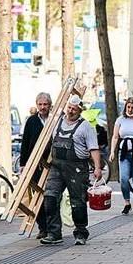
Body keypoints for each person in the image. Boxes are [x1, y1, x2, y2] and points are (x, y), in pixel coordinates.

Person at [41, 94, 102, 245]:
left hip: (77, 168)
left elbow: (93, 148)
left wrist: (97, 167)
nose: (71, 111)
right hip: (56, 166)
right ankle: (54, 233)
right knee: (50, 197)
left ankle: (81, 233)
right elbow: (47, 143)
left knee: (77, 202)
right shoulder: (57, 122)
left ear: (80, 110)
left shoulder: (86, 126)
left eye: (74, 109)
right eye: (69, 107)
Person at [20, 92, 52, 239]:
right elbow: (25, 142)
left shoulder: (54, 120)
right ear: (37, 105)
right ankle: (42, 228)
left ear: (50, 105)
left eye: (45, 104)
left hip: (52, 164)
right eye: (40, 104)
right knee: (37, 197)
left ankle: (52, 228)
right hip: (35, 165)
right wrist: (23, 165)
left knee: (51, 197)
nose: (42, 107)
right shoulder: (32, 121)